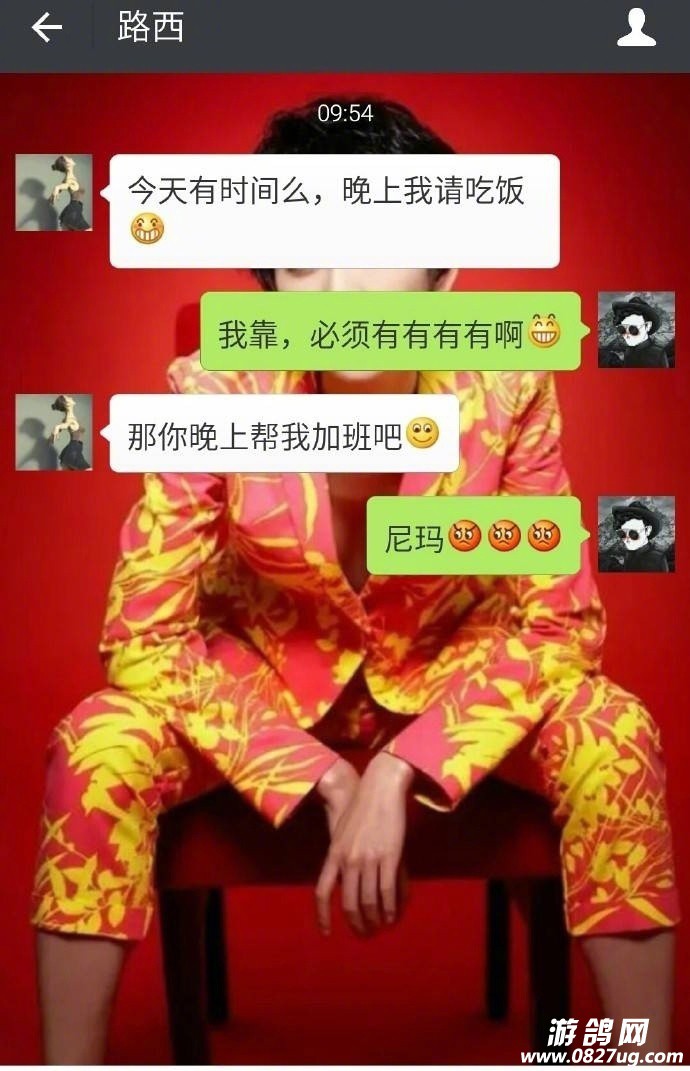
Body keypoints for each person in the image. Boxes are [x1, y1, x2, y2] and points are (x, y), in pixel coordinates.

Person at [31, 98, 679, 1064]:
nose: (342, 291)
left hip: (454, 673)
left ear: (444, 275)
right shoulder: (214, 387)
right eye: (305, 259)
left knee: (615, 732)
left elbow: (561, 625)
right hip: (261, 681)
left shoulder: (509, 382)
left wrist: (407, 761)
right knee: (95, 743)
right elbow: (142, 638)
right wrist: (322, 771)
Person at [598, 295, 670, 368]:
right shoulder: (628, 351)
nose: (626, 335)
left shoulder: (658, 354)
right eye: (622, 329)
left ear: (647, 326)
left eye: (633, 329)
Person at [599, 500, 669, 573]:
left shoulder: (654, 559)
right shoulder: (632, 553)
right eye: (622, 533)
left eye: (633, 534)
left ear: (648, 530)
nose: (626, 539)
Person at [49, 156, 92, 232]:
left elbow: (64, 186)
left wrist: (52, 196)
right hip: (73, 212)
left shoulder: (67, 178)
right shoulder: (70, 179)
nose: (71, 158)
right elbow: (67, 185)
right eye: (69, 158)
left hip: (69, 214)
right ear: (67, 165)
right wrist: (57, 187)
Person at [49, 395, 91, 471]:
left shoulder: (68, 418)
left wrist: (53, 434)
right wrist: (57, 427)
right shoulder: (69, 419)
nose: (71, 398)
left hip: (71, 451)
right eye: (68, 398)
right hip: (73, 451)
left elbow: (64, 425)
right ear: (67, 404)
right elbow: (66, 425)